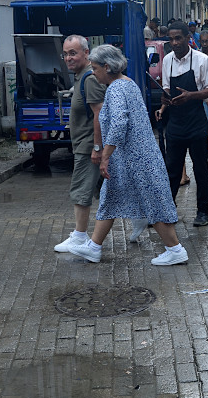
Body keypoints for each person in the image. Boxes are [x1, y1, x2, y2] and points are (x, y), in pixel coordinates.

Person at [69, 45, 190, 266]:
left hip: (136, 160)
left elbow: (118, 125)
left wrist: (104, 156)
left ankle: (175, 250)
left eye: (95, 68)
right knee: (110, 197)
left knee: (154, 202)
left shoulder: (116, 89)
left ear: (107, 67)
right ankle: (94, 246)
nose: (93, 73)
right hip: (130, 159)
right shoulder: (128, 83)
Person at [157, 21, 208, 227]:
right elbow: (166, 88)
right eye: (171, 39)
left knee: (200, 169)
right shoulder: (167, 61)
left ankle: (203, 211)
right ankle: (167, 209)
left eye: (178, 38)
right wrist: (164, 103)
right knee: (172, 169)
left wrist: (191, 95)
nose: (174, 43)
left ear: (187, 38)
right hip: (175, 122)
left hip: (196, 123)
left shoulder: (201, 60)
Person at [53, 35, 107, 253]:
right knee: (108, 190)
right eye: (65, 54)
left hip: (88, 147)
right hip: (84, 145)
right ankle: (142, 217)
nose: (68, 58)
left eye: (73, 53)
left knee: (80, 191)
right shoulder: (80, 77)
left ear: (86, 53)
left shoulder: (89, 78)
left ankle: (79, 236)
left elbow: (99, 114)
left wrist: (96, 147)